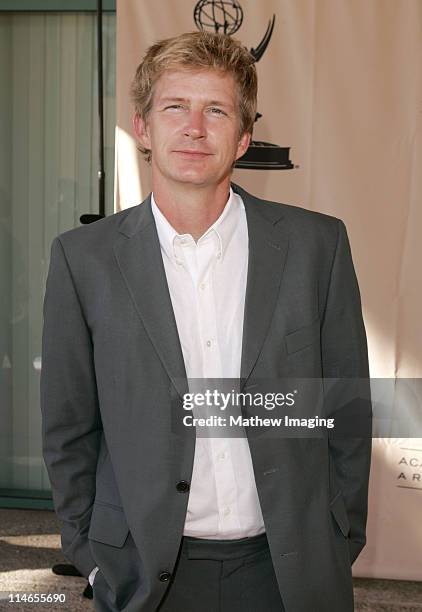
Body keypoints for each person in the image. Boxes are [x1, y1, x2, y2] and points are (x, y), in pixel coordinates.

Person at [40, 31, 372, 612]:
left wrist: (335, 535)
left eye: (215, 110)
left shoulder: (317, 246)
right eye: (175, 107)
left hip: (290, 573)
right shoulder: (82, 259)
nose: (194, 127)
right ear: (142, 127)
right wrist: (92, 556)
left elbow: (345, 408)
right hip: (144, 576)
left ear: (243, 137)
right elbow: (69, 426)